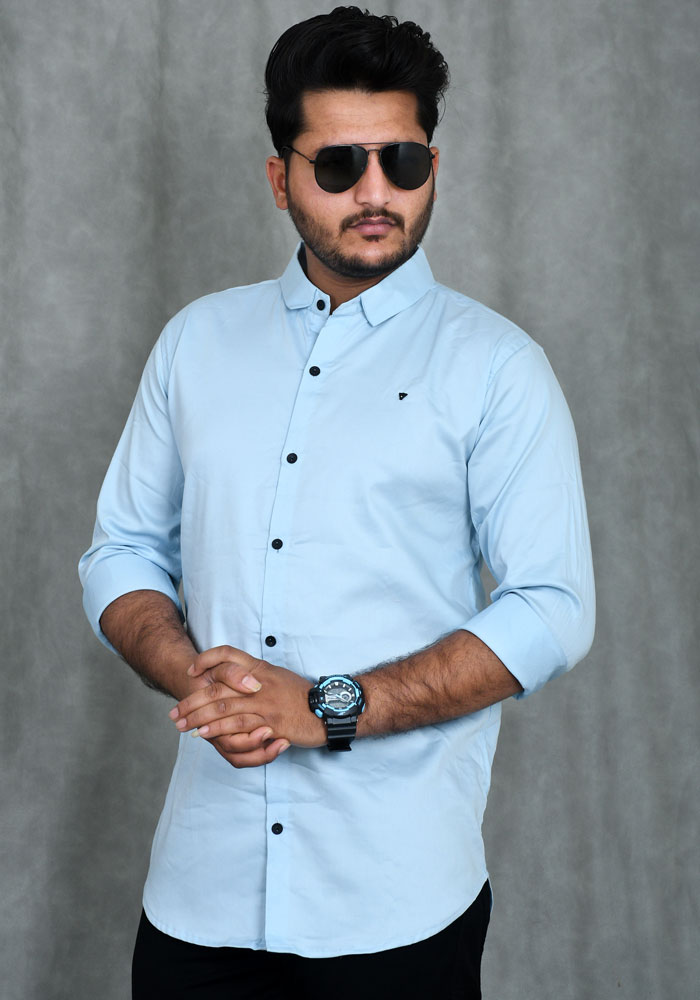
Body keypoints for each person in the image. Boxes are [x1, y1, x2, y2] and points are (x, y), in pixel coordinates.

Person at [79, 7, 595, 998]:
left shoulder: (497, 368)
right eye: (339, 165)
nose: (375, 193)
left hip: (396, 906)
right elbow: (122, 551)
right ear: (280, 178)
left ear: (433, 164)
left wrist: (326, 707)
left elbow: (552, 608)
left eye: (403, 161)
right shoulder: (196, 343)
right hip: (199, 896)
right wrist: (198, 679)